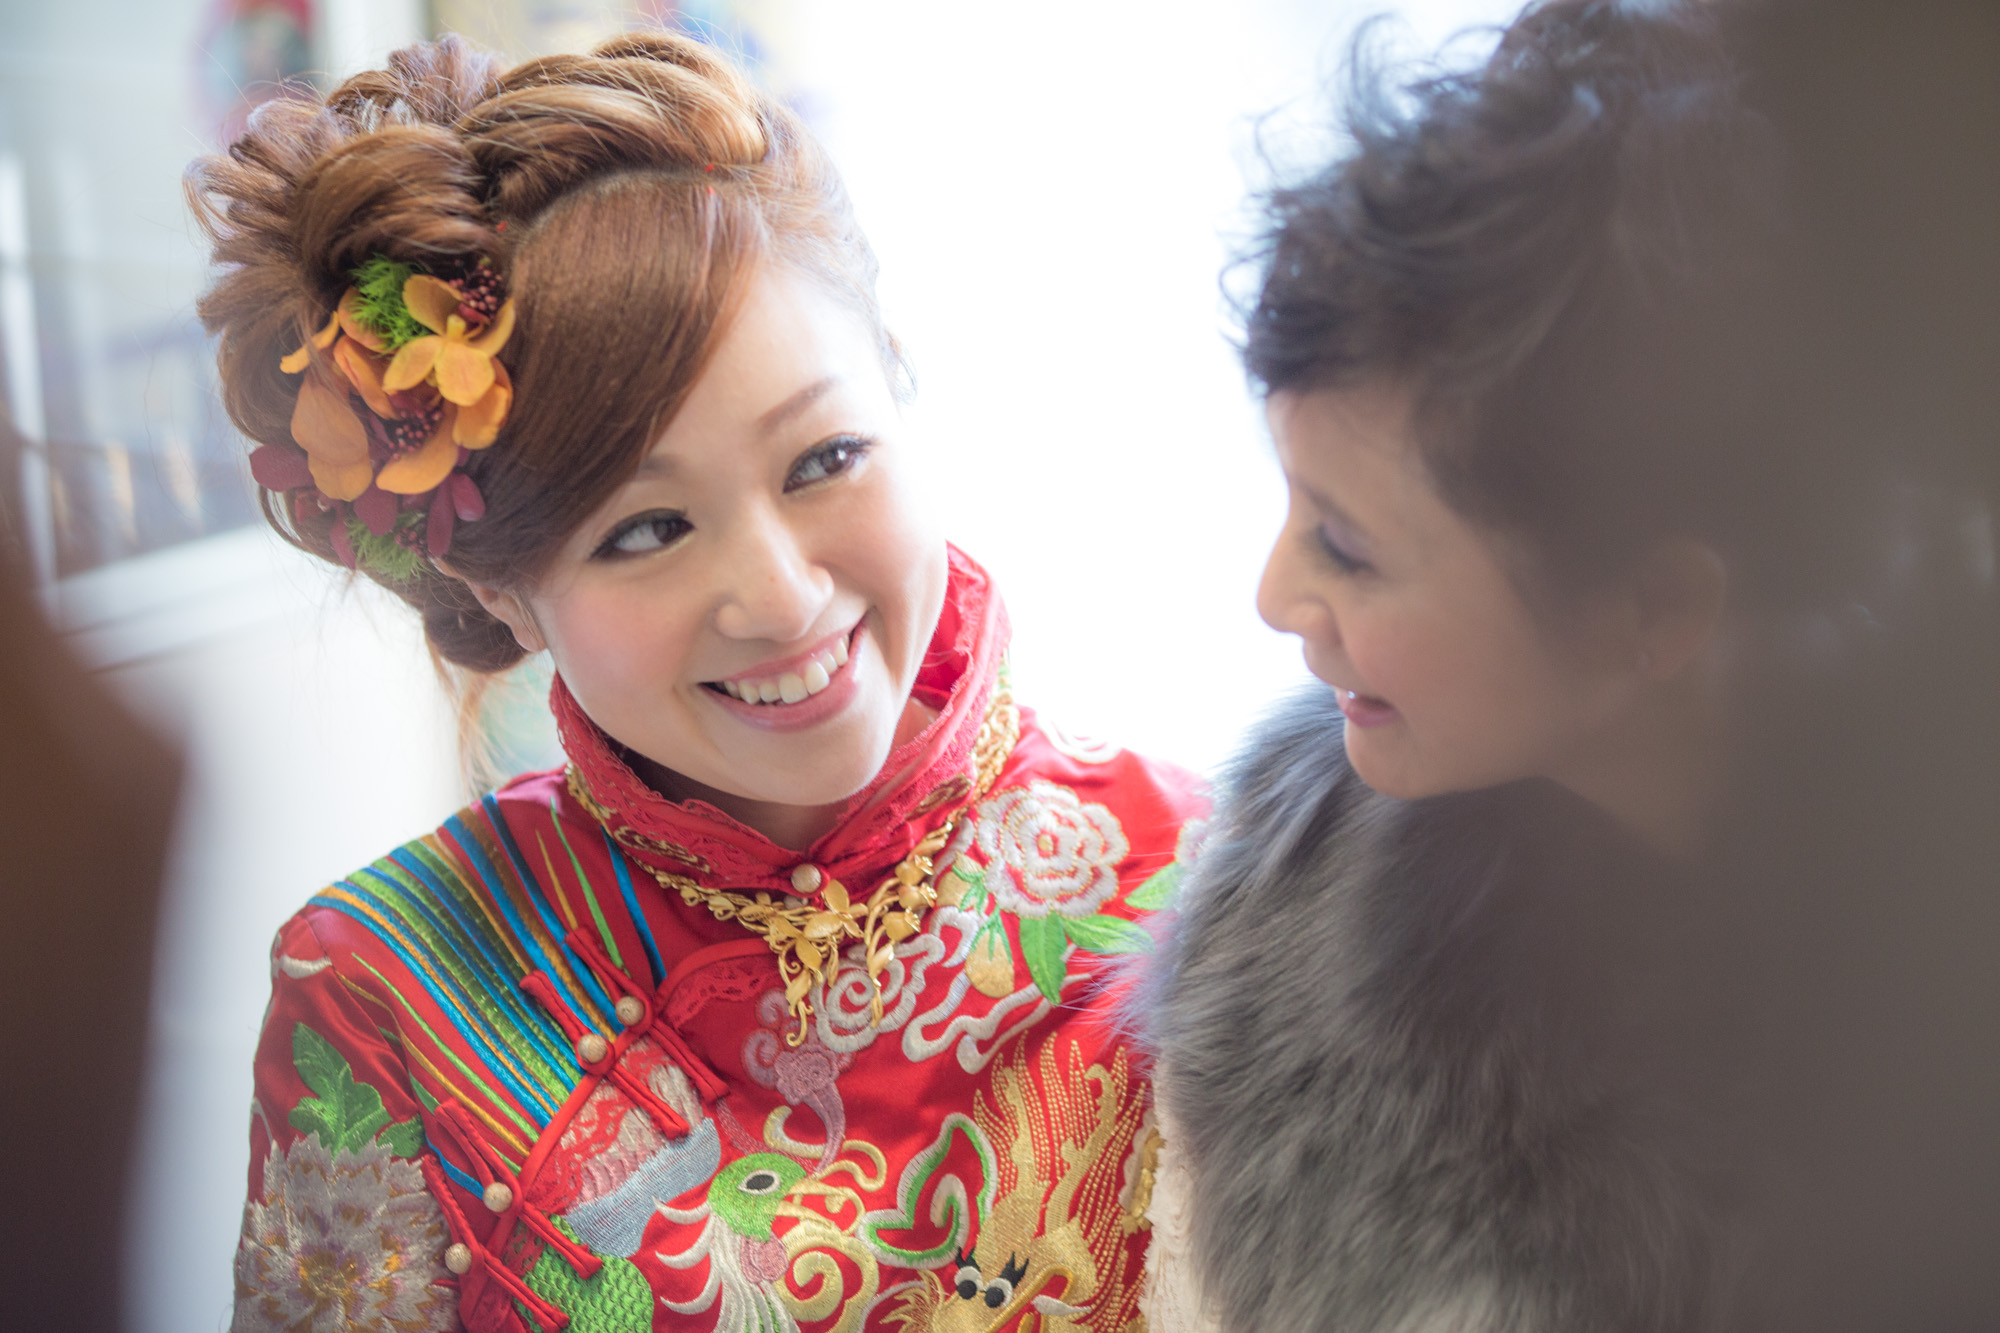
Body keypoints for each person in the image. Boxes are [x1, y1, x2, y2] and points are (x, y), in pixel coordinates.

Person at [191, 32, 1205, 1333]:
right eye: (647, 530)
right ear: (502, 591)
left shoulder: (1215, 883)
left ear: (898, 384)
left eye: (825, 458)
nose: (779, 597)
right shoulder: (383, 993)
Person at [1142, 1, 2000, 1330]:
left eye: (1349, 549)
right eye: (1294, 507)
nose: (1276, 598)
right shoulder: (1280, 918)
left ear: (1653, 607)